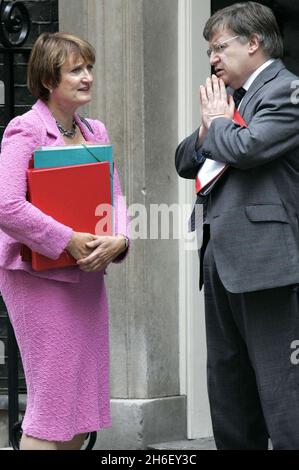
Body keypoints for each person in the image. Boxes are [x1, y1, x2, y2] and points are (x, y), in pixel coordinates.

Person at [175, 2, 299, 450]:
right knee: (229, 387)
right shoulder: (230, 101)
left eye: (219, 47)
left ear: (253, 42)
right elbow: (185, 160)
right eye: (209, 49)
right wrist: (212, 125)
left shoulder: (287, 91)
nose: (212, 58)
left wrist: (219, 122)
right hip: (220, 258)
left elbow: (247, 148)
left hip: (266, 263)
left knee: (282, 390)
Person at [0, 32, 129, 450]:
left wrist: (121, 238)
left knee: (78, 406)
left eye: (88, 67)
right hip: (37, 279)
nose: (87, 77)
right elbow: (5, 205)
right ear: (48, 79)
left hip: (87, 276)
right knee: (52, 403)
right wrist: (67, 239)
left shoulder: (95, 129)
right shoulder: (26, 129)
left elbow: (116, 195)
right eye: (76, 69)